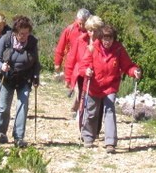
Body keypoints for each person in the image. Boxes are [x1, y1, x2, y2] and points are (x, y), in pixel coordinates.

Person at [80, 23, 141, 154]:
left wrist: (134, 71)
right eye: (105, 38)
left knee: (109, 110)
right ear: (101, 38)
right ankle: (88, 137)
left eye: (110, 39)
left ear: (114, 39)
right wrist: (87, 70)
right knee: (91, 112)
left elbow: (127, 65)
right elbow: (84, 65)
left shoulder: (118, 49)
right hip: (94, 86)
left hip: (110, 86)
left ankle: (110, 142)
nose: (107, 41)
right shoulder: (92, 48)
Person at [0, 15, 41, 147]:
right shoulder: (5, 39)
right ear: (15, 32)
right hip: (7, 78)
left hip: (24, 78)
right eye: (21, 34)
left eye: (26, 33)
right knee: (3, 108)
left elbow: (36, 62)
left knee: (22, 106)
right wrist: (1, 66)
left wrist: (36, 77)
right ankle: (2, 132)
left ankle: (18, 137)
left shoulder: (32, 42)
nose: (24, 36)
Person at [54, 8, 91, 109]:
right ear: (76, 20)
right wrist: (57, 63)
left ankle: (78, 108)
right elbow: (60, 47)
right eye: (80, 23)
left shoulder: (92, 32)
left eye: (84, 24)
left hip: (86, 64)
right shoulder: (70, 29)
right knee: (78, 88)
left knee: (83, 88)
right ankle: (77, 108)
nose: (82, 26)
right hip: (72, 63)